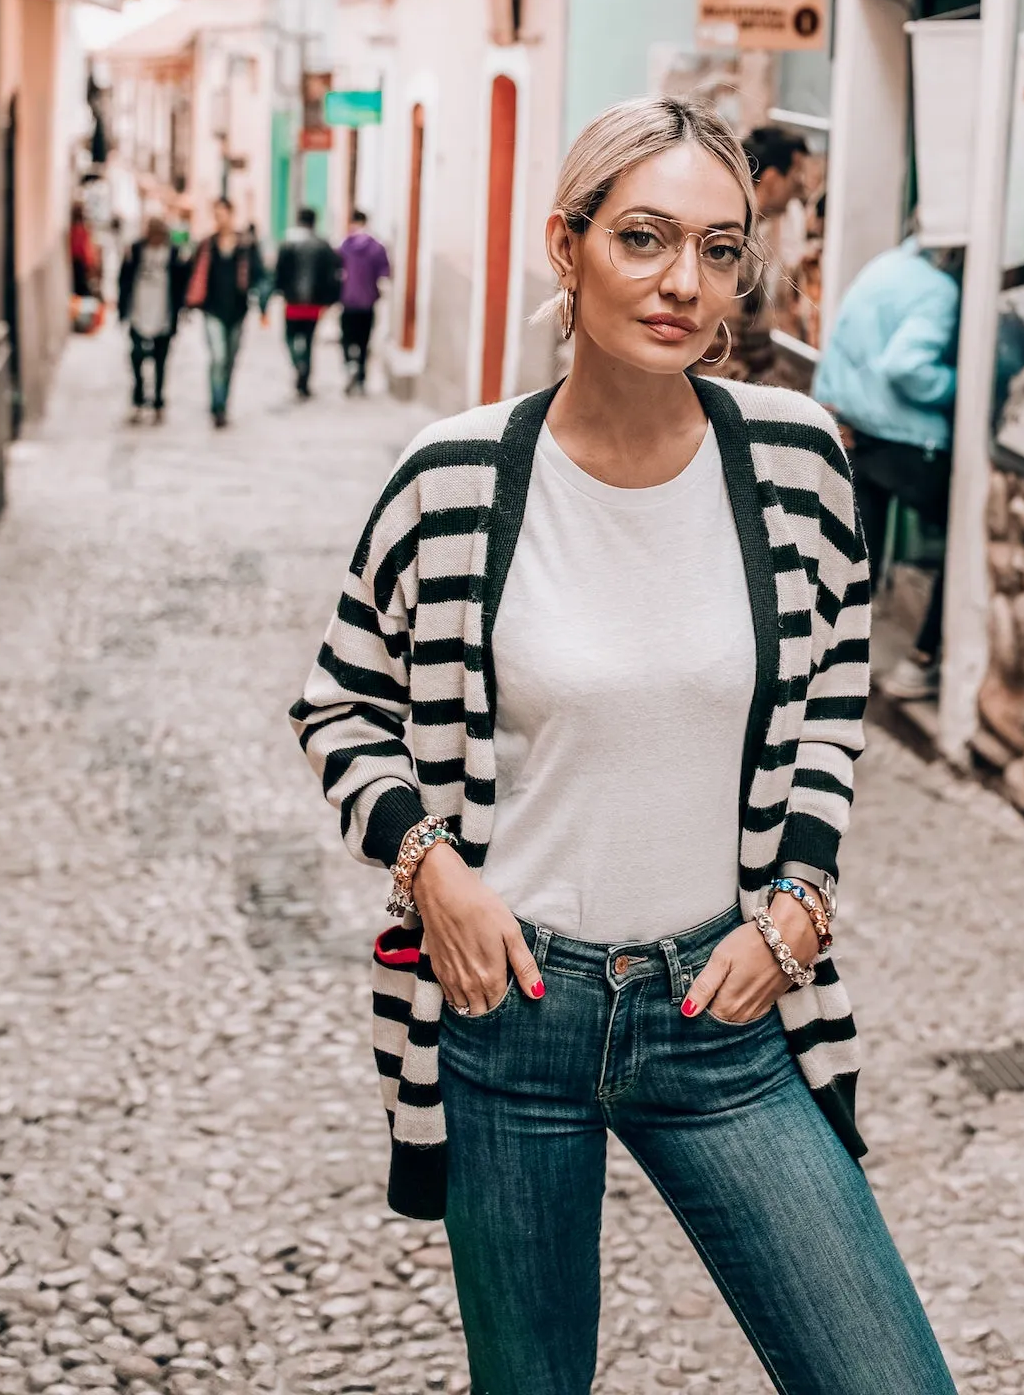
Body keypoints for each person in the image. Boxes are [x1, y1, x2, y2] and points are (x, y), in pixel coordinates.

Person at [291, 96, 957, 1395]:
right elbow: (338, 703)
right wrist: (431, 868)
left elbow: (830, 693)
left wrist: (803, 905)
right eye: (644, 238)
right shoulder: (453, 484)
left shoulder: (797, 465)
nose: (681, 284)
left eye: (720, 250)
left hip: (721, 1013)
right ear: (567, 243)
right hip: (510, 1010)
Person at [813, 233, 961, 703]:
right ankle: (922, 661)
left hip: (857, 430)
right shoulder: (941, 290)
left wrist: (831, 411)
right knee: (962, 540)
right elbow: (906, 366)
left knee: (858, 557)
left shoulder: (886, 265)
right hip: (909, 441)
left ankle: (825, 664)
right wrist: (963, 386)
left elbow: (842, 345)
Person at [723, 124, 808, 380]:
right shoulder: (735, 245)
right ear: (771, 180)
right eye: (795, 179)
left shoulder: (750, 235)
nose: (800, 190)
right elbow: (723, 347)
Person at [185, 197, 266, 427]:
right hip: (212, 310)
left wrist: (262, 302)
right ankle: (217, 406)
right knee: (218, 357)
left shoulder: (246, 245)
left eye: (223, 214)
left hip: (238, 311)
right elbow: (193, 275)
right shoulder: (207, 244)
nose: (219, 219)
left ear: (231, 214)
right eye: (216, 215)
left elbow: (259, 275)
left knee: (230, 360)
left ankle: (223, 402)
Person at [117, 215, 190, 420]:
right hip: (138, 312)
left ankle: (158, 400)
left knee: (161, 361)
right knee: (136, 356)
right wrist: (122, 310)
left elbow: (181, 283)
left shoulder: (174, 253)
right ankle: (139, 398)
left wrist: (181, 310)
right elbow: (124, 279)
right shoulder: (136, 250)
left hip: (163, 314)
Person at [268, 206, 340, 398]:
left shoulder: (288, 243)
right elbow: (333, 275)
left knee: (290, 338)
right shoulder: (323, 245)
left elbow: (279, 272)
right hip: (314, 303)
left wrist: (279, 292)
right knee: (308, 341)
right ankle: (304, 375)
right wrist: (330, 299)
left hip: (292, 302)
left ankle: (298, 364)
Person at [336, 208, 391, 394]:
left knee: (347, 338)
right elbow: (385, 275)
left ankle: (349, 365)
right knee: (364, 341)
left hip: (348, 302)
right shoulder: (377, 247)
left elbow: (336, 272)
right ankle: (360, 375)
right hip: (368, 303)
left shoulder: (344, 246)